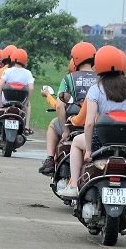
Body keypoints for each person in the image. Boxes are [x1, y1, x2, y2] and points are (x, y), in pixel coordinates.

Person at [58, 45, 126, 202]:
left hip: (100, 141)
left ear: (98, 64)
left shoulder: (96, 89)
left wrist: (88, 150)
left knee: (74, 144)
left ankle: (73, 186)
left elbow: (88, 123)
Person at [39, 41, 98, 175]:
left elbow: (59, 105)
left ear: (76, 59)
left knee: (53, 126)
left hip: (74, 125)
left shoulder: (69, 79)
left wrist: (65, 130)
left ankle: (49, 160)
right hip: (96, 126)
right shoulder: (101, 79)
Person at [0, 47, 34, 134]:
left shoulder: (8, 71)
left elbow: (0, 85)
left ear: (13, 58)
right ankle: (27, 127)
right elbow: (31, 88)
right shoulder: (28, 73)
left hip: (6, 99)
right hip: (21, 101)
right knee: (29, 105)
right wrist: (25, 103)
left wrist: (0, 101)